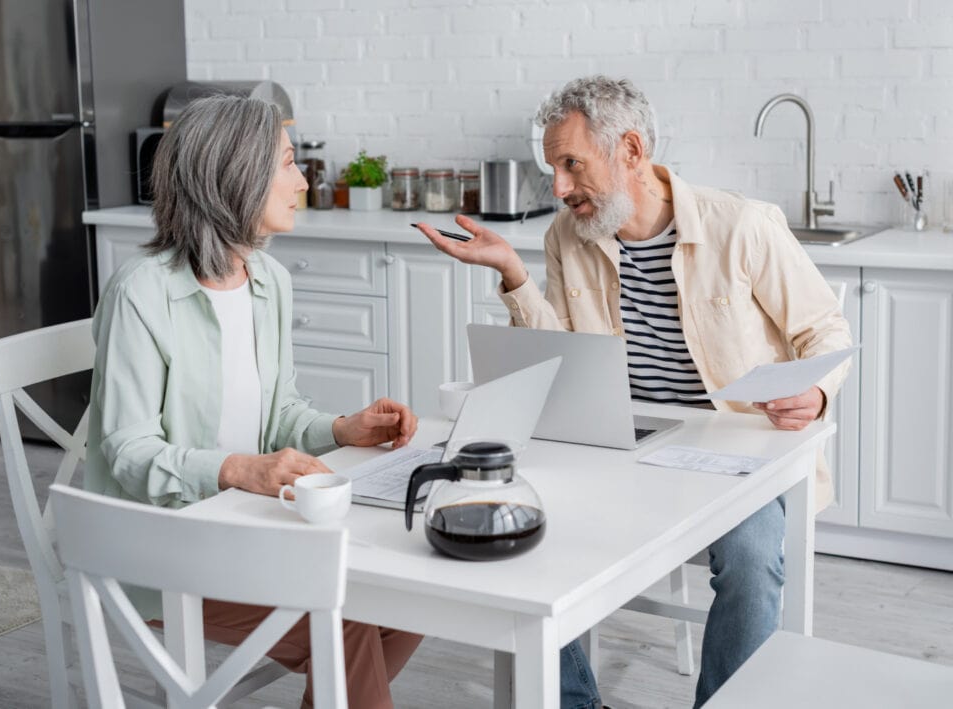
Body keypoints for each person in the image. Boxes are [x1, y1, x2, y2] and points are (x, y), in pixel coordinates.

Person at [416, 75, 852, 708]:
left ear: (630, 151)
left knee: (753, 562)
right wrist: (512, 272)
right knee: (516, 525)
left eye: (571, 164)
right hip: (621, 442)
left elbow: (825, 329)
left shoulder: (744, 226)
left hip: (737, 453)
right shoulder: (569, 236)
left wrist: (814, 393)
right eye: (554, 168)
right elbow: (561, 356)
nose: (559, 188)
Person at [85, 96, 422, 709]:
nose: (302, 181)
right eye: (288, 164)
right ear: (234, 176)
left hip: (242, 528)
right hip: (159, 549)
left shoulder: (268, 280)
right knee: (346, 622)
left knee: (415, 595)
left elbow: (279, 413)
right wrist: (239, 469)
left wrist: (344, 430)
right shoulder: (142, 293)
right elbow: (127, 451)